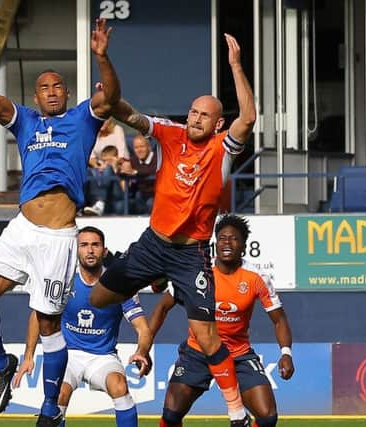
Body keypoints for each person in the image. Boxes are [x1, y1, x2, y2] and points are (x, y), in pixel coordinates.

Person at [89, 33, 257, 427]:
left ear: (218, 123)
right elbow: (126, 113)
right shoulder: (169, 134)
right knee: (98, 298)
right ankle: (153, 277)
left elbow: (247, 118)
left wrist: (234, 65)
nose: (196, 118)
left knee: (207, 335)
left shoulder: (223, 149)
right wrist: (105, 68)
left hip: (189, 252)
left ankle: (236, 413)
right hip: (152, 245)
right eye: (194, 112)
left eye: (205, 115)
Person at [0, 18, 121, 427]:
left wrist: (102, 57)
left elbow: (111, 99)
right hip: (22, 228)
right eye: (44, 87)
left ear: (67, 94)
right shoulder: (26, 121)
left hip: (56, 236)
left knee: (50, 324)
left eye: (58, 87)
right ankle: (1, 363)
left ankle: (51, 409)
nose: (51, 91)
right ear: (36, 96)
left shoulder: (83, 118)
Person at [149, 214, 294, 427]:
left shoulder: (256, 278)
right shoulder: (198, 274)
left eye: (234, 238)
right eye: (223, 238)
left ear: (244, 247)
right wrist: (144, 347)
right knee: (171, 415)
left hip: (238, 354)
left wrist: (286, 353)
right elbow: (162, 307)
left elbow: (279, 319)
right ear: (215, 244)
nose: (227, 242)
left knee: (267, 417)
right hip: (198, 352)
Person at [13, 226, 153, 427]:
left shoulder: (119, 285)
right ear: (76, 249)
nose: (90, 250)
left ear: (104, 251)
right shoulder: (63, 280)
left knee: (119, 386)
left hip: (102, 357)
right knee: (59, 393)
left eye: (95, 245)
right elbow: (38, 315)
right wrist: (28, 357)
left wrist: (141, 351)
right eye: (84, 245)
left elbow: (143, 328)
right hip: (67, 355)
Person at [83, 145, 126, 216]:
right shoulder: (102, 171)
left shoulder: (122, 169)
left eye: (109, 160)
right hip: (101, 198)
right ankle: (97, 203)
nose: (106, 163)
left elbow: (125, 190)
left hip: (115, 197)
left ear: (117, 158)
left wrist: (115, 170)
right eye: (104, 161)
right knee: (89, 171)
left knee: (109, 169)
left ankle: (100, 203)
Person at [123, 133, 157, 214]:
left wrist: (135, 172)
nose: (139, 150)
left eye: (142, 146)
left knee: (150, 203)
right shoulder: (133, 160)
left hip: (156, 195)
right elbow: (125, 173)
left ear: (148, 147)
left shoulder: (157, 158)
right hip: (140, 195)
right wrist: (122, 169)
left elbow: (154, 171)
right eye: (136, 147)